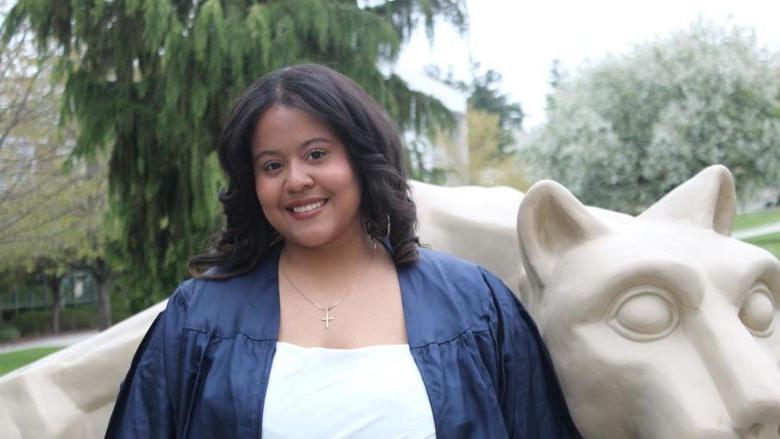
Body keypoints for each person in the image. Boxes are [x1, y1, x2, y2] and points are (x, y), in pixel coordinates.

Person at [105, 64, 581, 438]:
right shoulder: (200, 316)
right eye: (272, 165)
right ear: (253, 184)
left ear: (361, 158)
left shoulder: (475, 304)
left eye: (316, 154)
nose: (296, 180)